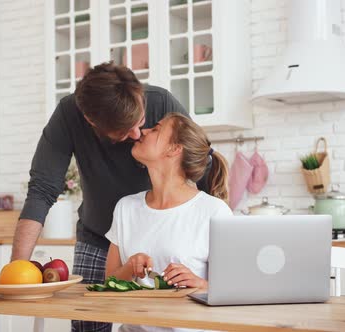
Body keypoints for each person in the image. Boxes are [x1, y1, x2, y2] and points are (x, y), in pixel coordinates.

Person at [12, 62, 209, 332]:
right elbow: (42, 190)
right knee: (87, 326)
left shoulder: (161, 102)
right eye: (126, 131)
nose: (138, 134)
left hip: (158, 240)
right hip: (97, 238)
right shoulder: (69, 115)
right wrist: (16, 273)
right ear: (91, 121)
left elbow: (200, 163)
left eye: (142, 122)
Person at [105, 113, 232, 332]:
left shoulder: (214, 211)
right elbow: (109, 284)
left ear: (174, 149)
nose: (142, 131)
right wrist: (129, 268)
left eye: (155, 129)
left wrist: (200, 285)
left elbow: (234, 293)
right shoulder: (125, 208)